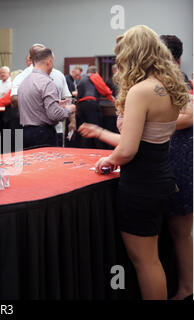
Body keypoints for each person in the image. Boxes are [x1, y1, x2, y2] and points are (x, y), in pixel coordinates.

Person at [80, 25, 189, 300]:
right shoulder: (169, 86)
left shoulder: (142, 90)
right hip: (162, 177)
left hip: (141, 184)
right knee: (152, 259)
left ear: (134, 54)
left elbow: (128, 149)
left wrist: (107, 160)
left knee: (145, 262)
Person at [160, 34, 193, 300]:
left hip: (180, 156)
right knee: (176, 229)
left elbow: (189, 117)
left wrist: (150, 125)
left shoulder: (176, 78)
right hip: (175, 154)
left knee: (181, 230)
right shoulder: (170, 77)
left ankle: (187, 289)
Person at [18, 48, 75, 148]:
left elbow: (36, 105)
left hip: (26, 133)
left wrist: (56, 104)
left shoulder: (24, 81)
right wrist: (69, 109)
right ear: (49, 62)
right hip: (42, 135)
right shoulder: (47, 83)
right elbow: (55, 115)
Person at [75, 65, 114, 148]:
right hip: (90, 104)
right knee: (95, 128)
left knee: (85, 130)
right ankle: (100, 150)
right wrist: (112, 99)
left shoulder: (82, 79)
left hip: (80, 106)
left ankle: (86, 150)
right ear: (96, 72)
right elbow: (104, 89)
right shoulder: (94, 76)